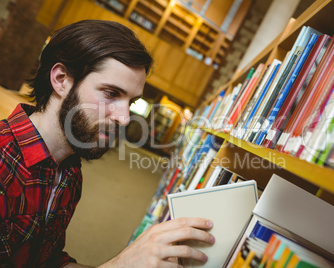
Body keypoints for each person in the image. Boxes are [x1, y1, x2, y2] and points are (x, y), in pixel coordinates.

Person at [0, 20, 214, 267]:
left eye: (131, 103)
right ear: (61, 79)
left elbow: (45, 261)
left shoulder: (70, 171)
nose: (124, 119)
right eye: (111, 94)